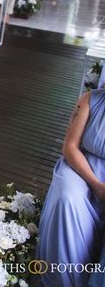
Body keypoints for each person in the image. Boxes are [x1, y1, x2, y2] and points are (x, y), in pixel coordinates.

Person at [37, 90, 105, 287]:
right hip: (81, 167)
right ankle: (66, 279)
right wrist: (97, 185)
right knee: (67, 198)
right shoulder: (91, 99)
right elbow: (70, 146)